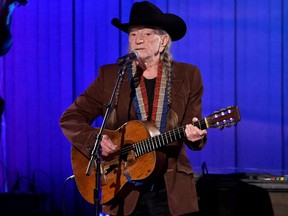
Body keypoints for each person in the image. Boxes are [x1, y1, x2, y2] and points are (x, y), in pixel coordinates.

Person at [60, 1, 207, 215]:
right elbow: (70, 118)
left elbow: (194, 127)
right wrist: (95, 139)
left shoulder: (188, 76)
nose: (138, 40)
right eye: (132, 34)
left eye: (147, 34)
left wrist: (196, 136)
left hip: (169, 187)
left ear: (163, 41)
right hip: (121, 186)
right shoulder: (110, 76)